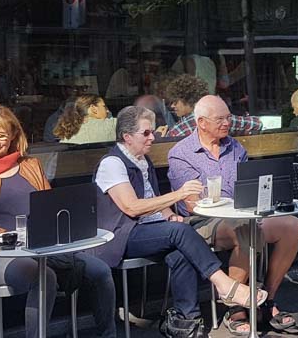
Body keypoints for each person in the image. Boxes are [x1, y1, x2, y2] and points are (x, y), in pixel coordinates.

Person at [92, 106, 261, 338]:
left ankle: (187, 322)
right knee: (179, 232)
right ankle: (224, 285)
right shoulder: (112, 163)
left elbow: (152, 199)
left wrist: (170, 214)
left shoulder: (141, 160)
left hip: (149, 228)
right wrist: (179, 194)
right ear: (127, 136)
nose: (153, 137)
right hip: (121, 235)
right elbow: (131, 207)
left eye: (152, 132)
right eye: (146, 133)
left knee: (181, 252)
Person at [0, 105, 117, 338]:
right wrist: (15, 238)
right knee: (45, 277)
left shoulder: (31, 165)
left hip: (44, 246)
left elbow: (50, 206)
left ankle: (109, 335)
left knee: (101, 270)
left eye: (1, 135)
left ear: (13, 135)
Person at [167, 96, 298, 335]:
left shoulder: (236, 148)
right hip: (200, 222)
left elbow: (247, 187)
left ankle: (266, 300)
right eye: (220, 119)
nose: (227, 123)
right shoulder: (181, 153)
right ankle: (236, 308)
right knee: (244, 229)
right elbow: (191, 205)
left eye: (228, 117)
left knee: (291, 225)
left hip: (241, 215)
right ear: (201, 122)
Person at [161, 75, 262, 140]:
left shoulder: (177, 131)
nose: (172, 105)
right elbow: (256, 123)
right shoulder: (220, 119)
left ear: (188, 99)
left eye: (175, 101)